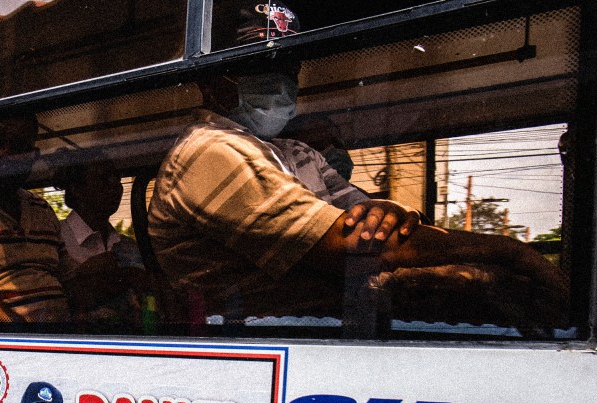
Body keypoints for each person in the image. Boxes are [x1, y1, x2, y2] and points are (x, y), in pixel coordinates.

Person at [146, 1, 568, 328]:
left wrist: (394, 214)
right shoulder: (211, 151)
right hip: (265, 338)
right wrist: (507, 251)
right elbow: (355, 249)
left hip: (331, 328)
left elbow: (374, 223)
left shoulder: (296, 153)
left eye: (289, 65)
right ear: (210, 79)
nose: (281, 79)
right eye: (259, 65)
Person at [0, 115, 70, 324]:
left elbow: (70, 282)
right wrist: (30, 342)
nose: (3, 154)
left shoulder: (40, 208)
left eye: (19, 147)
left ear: (34, 155)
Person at [53, 150, 149, 329]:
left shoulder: (127, 245)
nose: (114, 185)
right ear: (77, 189)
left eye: (117, 178)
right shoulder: (56, 238)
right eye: (103, 178)